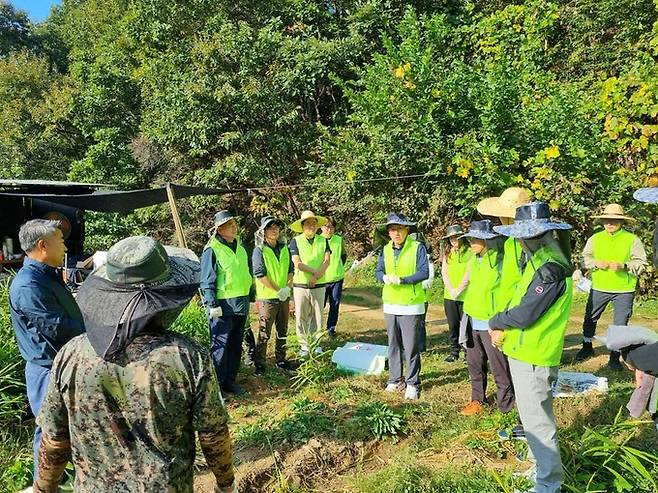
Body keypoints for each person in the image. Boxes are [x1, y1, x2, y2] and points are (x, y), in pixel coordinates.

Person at [33, 236, 236, 493]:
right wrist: (225, 485)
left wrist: (43, 488)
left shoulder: (70, 356)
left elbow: (54, 440)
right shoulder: (187, 357)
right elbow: (212, 434)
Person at [489, 201, 573, 493]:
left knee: (538, 424)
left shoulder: (550, 268)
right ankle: (541, 470)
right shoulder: (541, 259)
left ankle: (549, 484)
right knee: (531, 419)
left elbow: (526, 313)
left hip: (535, 355)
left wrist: (496, 320)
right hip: (525, 351)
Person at [9, 219, 85, 484]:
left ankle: (61, 479)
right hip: (46, 369)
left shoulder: (46, 276)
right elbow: (56, 327)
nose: (65, 245)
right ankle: (45, 483)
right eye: (60, 240)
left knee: (64, 427)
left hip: (62, 363)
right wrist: (95, 331)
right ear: (42, 245)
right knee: (50, 430)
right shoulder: (29, 285)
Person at [575, 204, 648, 370]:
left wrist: (624, 265)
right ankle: (586, 347)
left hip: (624, 289)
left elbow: (641, 263)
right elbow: (584, 259)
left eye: (614, 220)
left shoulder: (632, 240)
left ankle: (614, 356)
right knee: (590, 318)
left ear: (621, 222)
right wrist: (595, 263)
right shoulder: (595, 239)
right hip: (599, 286)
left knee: (620, 324)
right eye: (607, 219)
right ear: (602, 221)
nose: (610, 223)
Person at [459, 220, 514, 416]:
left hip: (492, 323)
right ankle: (477, 401)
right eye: (471, 238)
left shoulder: (500, 261)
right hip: (473, 320)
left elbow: (508, 291)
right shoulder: (473, 261)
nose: (472, 242)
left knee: (499, 367)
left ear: (488, 240)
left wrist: (499, 322)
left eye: (477, 239)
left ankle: (506, 407)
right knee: (474, 364)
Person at [375, 213, 429, 401]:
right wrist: (383, 277)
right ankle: (395, 379)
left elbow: (424, 272)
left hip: (411, 305)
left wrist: (403, 280)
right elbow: (379, 270)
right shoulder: (385, 249)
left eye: (399, 229)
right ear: (388, 232)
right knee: (393, 344)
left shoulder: (417, 248)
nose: (396, 232)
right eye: (392, 229)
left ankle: (413, 382)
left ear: (406, 230)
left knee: (411, 346)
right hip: (390, 303)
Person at [201, 210, 252, 395]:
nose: (234, 227)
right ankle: (218, 386)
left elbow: (245, 273)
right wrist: (212, 304)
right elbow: (207, 280)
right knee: (220, 347)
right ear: (220, 230)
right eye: (229, 225)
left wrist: (250, 295)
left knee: (235, 344)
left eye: (234, 224)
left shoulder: (240, 246)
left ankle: (231, 381)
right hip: (222, 306)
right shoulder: (212, 249)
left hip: (240, 303)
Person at [477, 187, 533, 310]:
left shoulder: (527, 243)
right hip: (506, 308)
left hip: (517, 309)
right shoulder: (510, 241)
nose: (500, 218)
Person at [252, 216, 294, 374]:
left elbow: (290, 270)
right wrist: (278, 290)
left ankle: (281, 359)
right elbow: (260, 274)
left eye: (276, 227)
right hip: (267, 298)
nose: (274, 230)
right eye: (270, 227)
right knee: (264, 332)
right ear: (264, 231)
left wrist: (287, 287)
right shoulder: (259, 250)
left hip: (283, 297)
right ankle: (260, 364)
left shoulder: (284, 248)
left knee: (282, 330)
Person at [289, 210, 331, 356]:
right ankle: (304, 346)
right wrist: (314, 273)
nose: (311, 226)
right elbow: (297, 263)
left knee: (318, 315)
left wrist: (317, 276)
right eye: (308, 223)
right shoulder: (295, 241)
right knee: (301, 315)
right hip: (301, 284)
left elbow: (327, 261)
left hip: (319, 284)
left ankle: (316, 343)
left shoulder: (323, 240)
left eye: (313, 223)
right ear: (302, 226)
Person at [440, 224, 471, 362]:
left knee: (466, 325)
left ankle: (467, 352)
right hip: (450, 295)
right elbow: (444, 272)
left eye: (456, 237)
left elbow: (469, 273)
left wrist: (459, 289)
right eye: (451, 238)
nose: (454, 240)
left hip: (465, 295)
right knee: (453, 325)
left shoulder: (469, 252)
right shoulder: (448, 253)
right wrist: (451, 289)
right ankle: (454, 351)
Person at [320, 217, 348, 337]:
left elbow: (343, 256)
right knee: (319, 306)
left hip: (337, 278)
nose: (329, 229)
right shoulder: (317, 240)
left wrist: (338, 267)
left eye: (331, 227)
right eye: (326, 227)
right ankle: (317, 329)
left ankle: (331, 329)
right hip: (321, 279)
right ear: (321, 228)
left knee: (334, 305)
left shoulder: (339, 240)